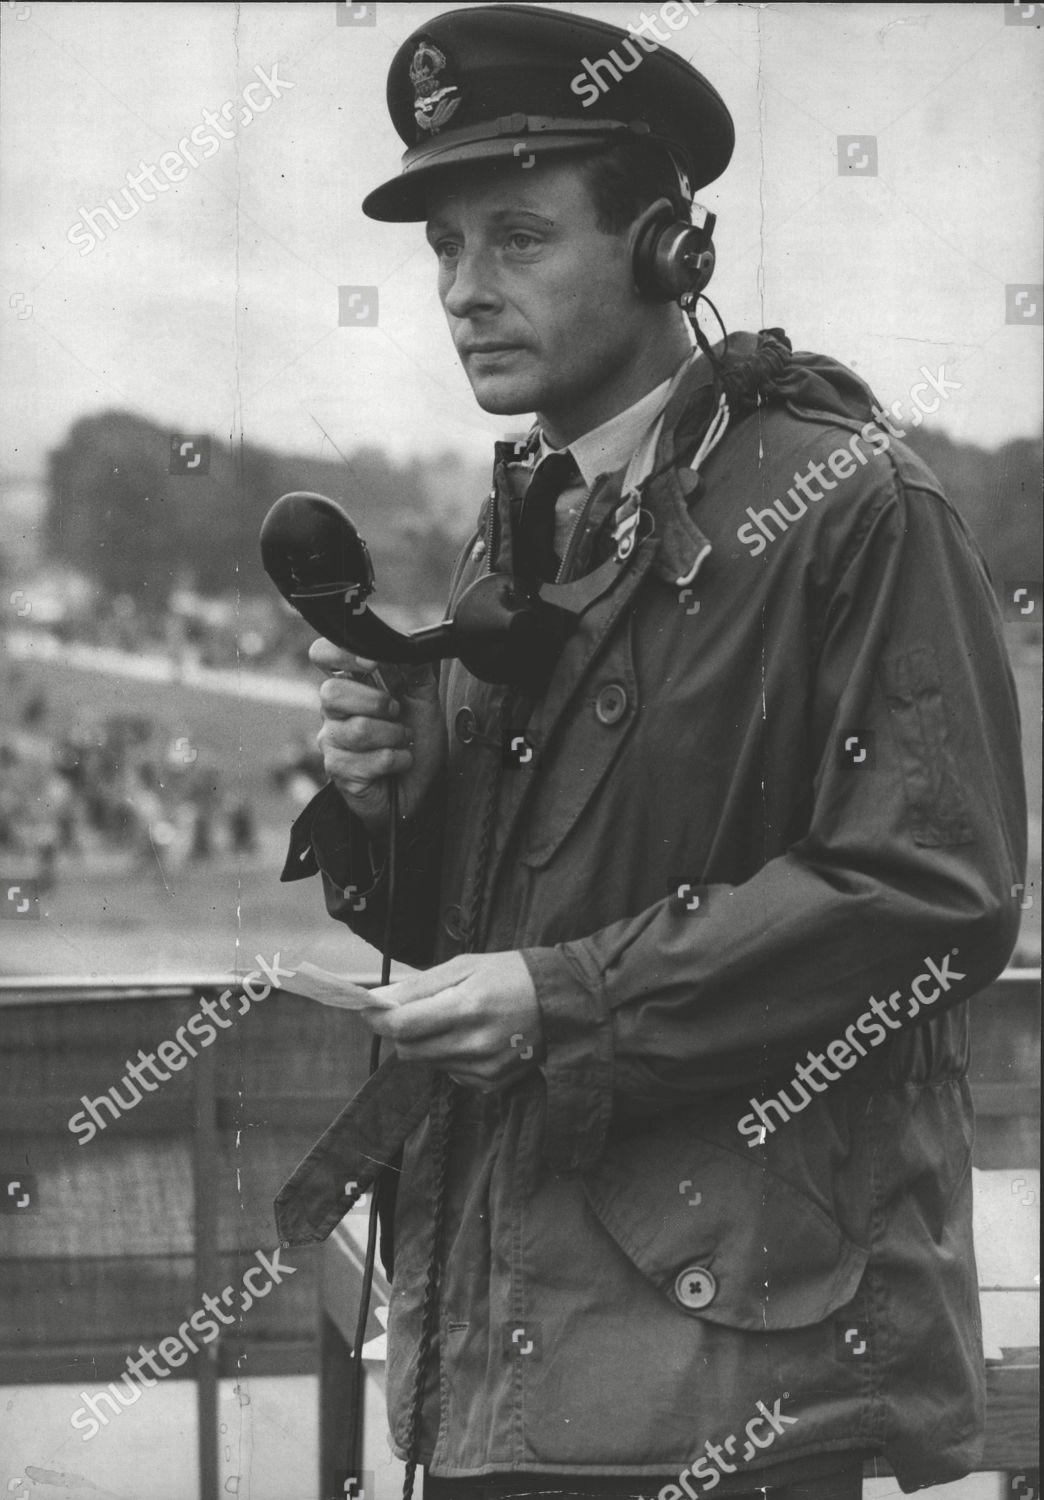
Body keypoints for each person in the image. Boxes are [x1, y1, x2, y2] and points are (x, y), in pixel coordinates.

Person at [274, 6, 1027, 1498]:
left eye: (519, 239)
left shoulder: (849, 507)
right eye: (445, 249)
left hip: (736, 1373)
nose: (464, 292)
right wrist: (397, 803)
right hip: (511, 1353)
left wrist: (558, 1003)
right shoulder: (538, 520)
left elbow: (938, 890)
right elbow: (535, 903)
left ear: (669, 247)